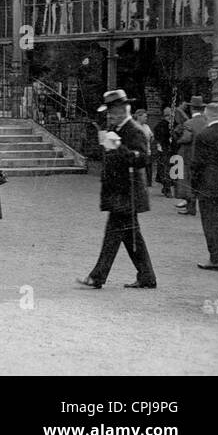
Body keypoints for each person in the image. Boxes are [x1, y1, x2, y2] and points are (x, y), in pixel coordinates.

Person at [77, 89, 157, 290]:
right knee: (132, 237)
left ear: (123, 110)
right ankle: (147, 277)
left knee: (112, 236)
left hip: (127, 193)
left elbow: (142, 160)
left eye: (112, 112)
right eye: (109, 112)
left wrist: (116, 146)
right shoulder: (116, 130)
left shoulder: (134, 130)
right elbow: (109, 158)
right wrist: (105, 143)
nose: (109, 116)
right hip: (118, 193)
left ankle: (97, 277)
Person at [189, 101, 218, 271]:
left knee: (211, 224)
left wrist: (194, 186)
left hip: (208, 186)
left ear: (206, 115)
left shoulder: (204, 135)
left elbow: (196, 163)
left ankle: (216, 259)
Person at [175, 96, 208, 216]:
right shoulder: (206, 122)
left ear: (192, 109)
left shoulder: (189, 123)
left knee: (187, 181)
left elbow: (186, 138)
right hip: (203, 156)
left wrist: (178, 140)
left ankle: (191, 208)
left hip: (189, 155)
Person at [155, 107, 174, 197]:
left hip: (170, 149)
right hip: (165, 149)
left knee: (168, 170)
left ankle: (166, 187)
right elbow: (158, 137)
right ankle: (167, 189)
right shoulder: (161, 125)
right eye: (168, 116)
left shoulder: (173, 124)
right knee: (166, 170)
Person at [132, 108, 154, 187]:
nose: (146, 118)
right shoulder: (134, 126)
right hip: (138, 152)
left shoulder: (146, 126)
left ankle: (148, 183)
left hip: (147, 151)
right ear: (139, 116)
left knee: (148, 167)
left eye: (147, 117)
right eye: (145, 117)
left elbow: (151, 136)